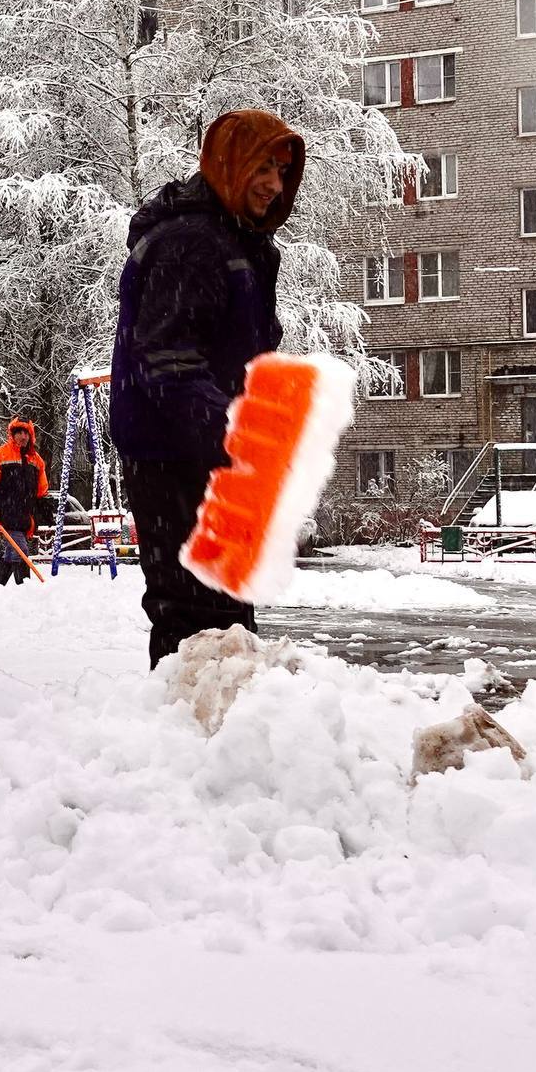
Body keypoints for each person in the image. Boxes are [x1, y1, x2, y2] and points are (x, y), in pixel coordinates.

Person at [109, 109, 304, 667]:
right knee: (194, 615)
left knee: (226, 611)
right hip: (174, 454)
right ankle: (186, 740)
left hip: (208, 452)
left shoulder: (237, 243)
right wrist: (236, 439)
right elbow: (169, 363)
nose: (274, 184)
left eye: (282, 170)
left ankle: (219, 736)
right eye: (263, 167)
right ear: (230, 164)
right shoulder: (191, 242)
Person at [0, 419, 50, 586]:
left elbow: (42, 490)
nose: (23, 436)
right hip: (6, 512)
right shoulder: (0, 455)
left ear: (31, 435)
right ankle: (25, 589)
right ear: (12, 435)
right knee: (21, 551)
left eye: (26, 432)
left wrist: (44, 509)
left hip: (26, 516)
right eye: (19, 432)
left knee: (12, 551)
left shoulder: (36, 461)